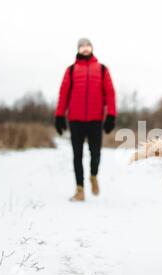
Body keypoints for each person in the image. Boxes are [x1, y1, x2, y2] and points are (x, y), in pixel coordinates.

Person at [54, 38, 116, 201]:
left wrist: (111, 115)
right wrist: (59, 115)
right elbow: (64, 94)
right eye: (82, 46)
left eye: (87, 46)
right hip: (75, 120)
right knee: (77, 155)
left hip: (95, 119)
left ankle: (93, 176)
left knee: (95, 153)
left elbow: (110, 93)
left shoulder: (102, 69)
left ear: (92, 48)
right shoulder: (71, 70)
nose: (85, 49)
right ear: (78, 49)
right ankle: (79, 189)